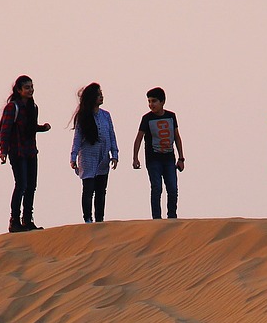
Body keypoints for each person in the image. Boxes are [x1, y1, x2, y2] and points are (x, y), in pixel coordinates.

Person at [0, 75, 51, 232]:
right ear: (19, 90)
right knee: (21, 185)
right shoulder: (12, 107)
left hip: (31, 151)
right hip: (17, 151)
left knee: (31, 186)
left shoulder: (33, 107)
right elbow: (4, 130)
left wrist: (43, 128)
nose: (30, 90)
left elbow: (30, 127)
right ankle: (15, 221)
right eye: (27, 87)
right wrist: (3, 151)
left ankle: (27, 220)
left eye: (32, 87)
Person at [132, 87, 185, 219]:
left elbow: (177, 137)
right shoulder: (146, 119)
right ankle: (156, 219)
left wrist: (181, 158)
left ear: (162, 102)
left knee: (172, 189)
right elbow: (138, 138)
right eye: (149, 101)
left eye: (154, 101)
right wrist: (135, 158)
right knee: (157, 188)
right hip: (153, 159)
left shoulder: (171, 116)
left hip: (169, 158)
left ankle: (172, 217)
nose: (151, 104)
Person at [69, 82, 119, 223]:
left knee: (101, 191)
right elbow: (77, 139)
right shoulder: (83, 116)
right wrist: (73, 157)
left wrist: (114, 154)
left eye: (101, 94)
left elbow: (111, 135)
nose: (101, 97)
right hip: (88, 158)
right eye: (98, 95)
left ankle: (99, 220)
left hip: (103, 158)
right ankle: (87, 219)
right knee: (88, 189)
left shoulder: (106, 115)